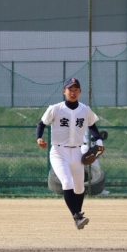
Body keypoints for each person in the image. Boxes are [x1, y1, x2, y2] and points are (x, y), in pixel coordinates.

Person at [36, 77, 103, 230]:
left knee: (79, 188)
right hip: (59, 152)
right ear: (64, 91)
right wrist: (39, 138)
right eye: (70, 90)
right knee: (67, 183)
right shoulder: (55, 109)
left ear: (80, 91)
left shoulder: (85, 110)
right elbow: (41, 124)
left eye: (75, 90)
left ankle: (78, 216)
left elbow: (92, 125)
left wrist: (99, 141)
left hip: (77, 152)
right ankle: (77, 217)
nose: (73, 92)